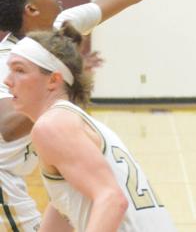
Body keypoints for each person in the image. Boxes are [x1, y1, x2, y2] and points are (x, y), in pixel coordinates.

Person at [0, 0, 196, 231]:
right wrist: (52, 87)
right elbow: (7, 128)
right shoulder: (11, 60)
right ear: (31, 9)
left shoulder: (60, 27)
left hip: (34, 171)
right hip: (5, 179)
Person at [5, 25, 175, 230]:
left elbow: (112, 199)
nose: (7, 81)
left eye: (19, 70)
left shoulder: (52, 125)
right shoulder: (70, 120)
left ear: (53, 80)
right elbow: (64, 206)